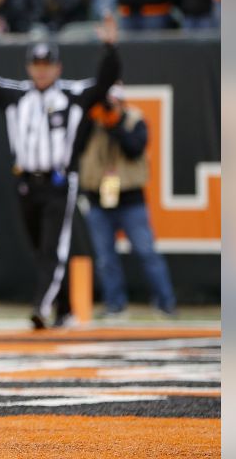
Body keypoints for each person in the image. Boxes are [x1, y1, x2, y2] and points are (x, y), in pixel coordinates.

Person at [0, 5, 120, 329]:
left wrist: (110, 48)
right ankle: (66, 310)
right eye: (37, 64)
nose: (42, 71)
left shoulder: (73, 95)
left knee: (52, 249)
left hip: (59, 182)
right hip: (26, 183)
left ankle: (41, 308)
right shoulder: (17, 97)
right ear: (29, 67)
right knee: (41, 249)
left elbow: (105, 81)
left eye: (47, 65)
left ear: (58, 68)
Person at [78, 83, 178, 319]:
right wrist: (93, 118)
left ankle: (165, 302)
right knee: (105, 257)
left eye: (114, 103)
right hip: (98, 198)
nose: (109, 107)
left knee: (146, 252)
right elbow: (77, 145)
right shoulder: (92, 121)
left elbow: (134, 148)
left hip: (130, 199)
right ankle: (115, 304)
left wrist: (115, 123)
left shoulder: (135, 120)